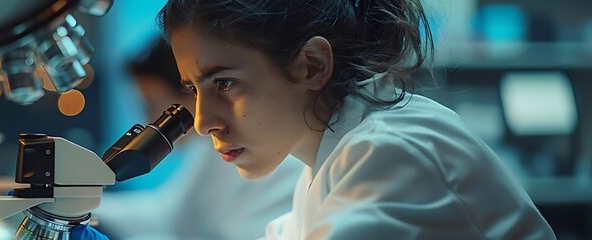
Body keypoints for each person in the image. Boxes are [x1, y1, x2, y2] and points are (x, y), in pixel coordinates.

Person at [150, 0, 558, 239]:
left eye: (224, 83)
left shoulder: (392, 151)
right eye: (193, 89)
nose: (202, 123)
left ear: (311, 65)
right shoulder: (324, 165)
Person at [90, 37, 304, 240]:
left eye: (151, 105)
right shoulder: (211, 149)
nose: (202, 124)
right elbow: (171, 215)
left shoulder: (276, 157)